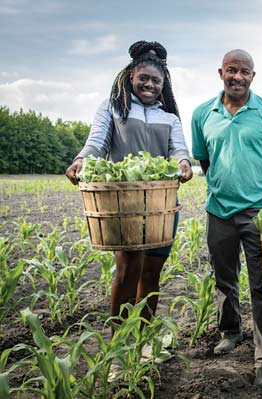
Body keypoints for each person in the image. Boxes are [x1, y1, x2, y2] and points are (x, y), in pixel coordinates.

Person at [65, 40, 193, 358]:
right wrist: (82, 160)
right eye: (143, 78)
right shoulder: (114, 107)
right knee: (127, 270)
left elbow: (178, 149)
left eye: (156, 81)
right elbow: (96, 141)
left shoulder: (171, 118)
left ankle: (144, 340)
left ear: (164, 85)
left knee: (151, 272)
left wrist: (184, 163)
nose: (149, 85)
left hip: (162, 203)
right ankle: (118, 347)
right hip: (125, 204)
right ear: (130, 77)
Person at [191, 49, 262, 388]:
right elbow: (205, 161)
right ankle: (230, 331)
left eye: (244, 71)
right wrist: (223, 186)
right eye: (231, 70)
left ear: (253, 76)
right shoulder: (203, 113)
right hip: (218, 209)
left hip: (258, 212)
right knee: (224, 278)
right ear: (221, 72)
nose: (237, 77)